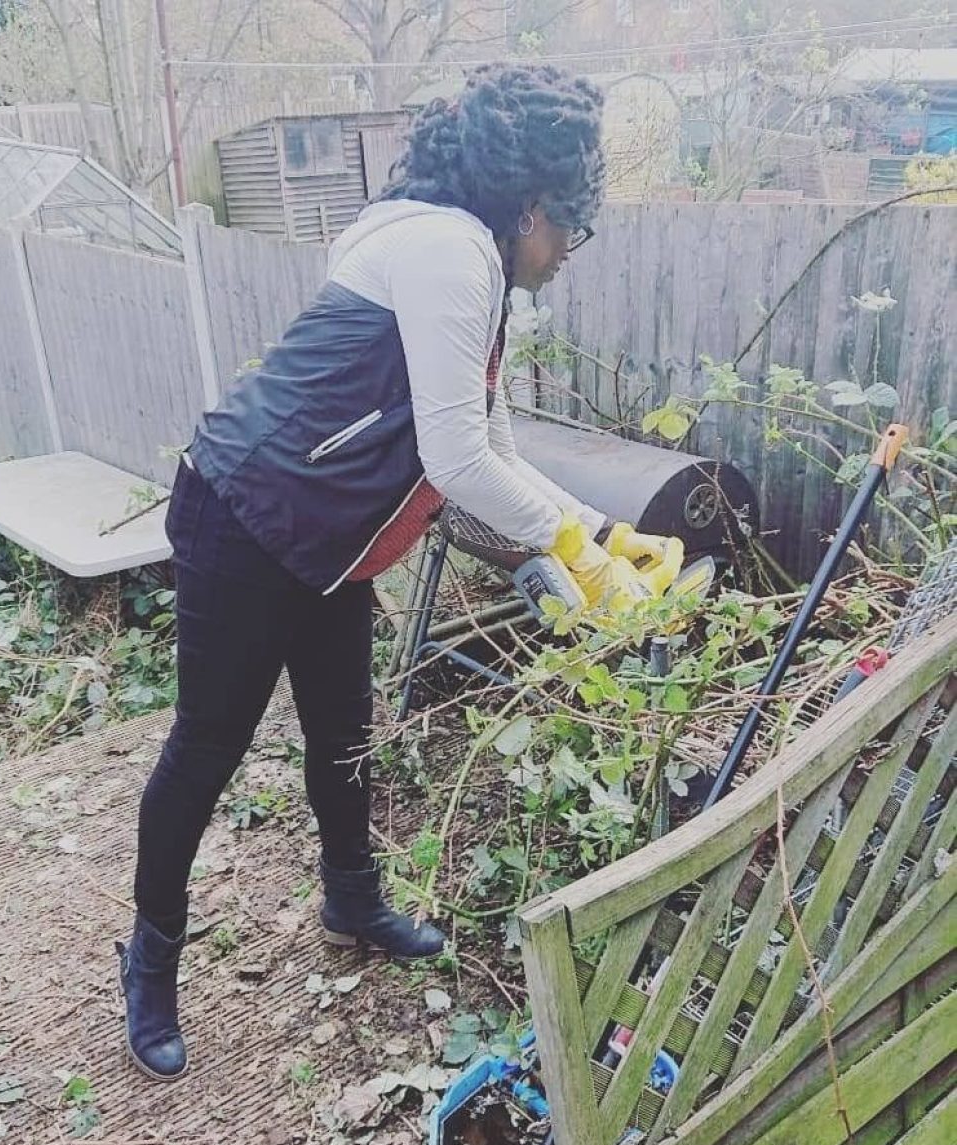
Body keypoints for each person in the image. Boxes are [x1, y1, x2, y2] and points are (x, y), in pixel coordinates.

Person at [117, 62, 683, 1082]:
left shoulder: (454, 247)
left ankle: (351, 899)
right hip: (245, 515)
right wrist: (567, 553)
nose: (566, 253)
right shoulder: (444, 251)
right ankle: (151, 959)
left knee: (342, 728)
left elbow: (492, 435)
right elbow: (453, 462)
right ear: (530, 208)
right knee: (208, 746)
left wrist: (596, 528)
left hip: (324, 540)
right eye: (570, 228)